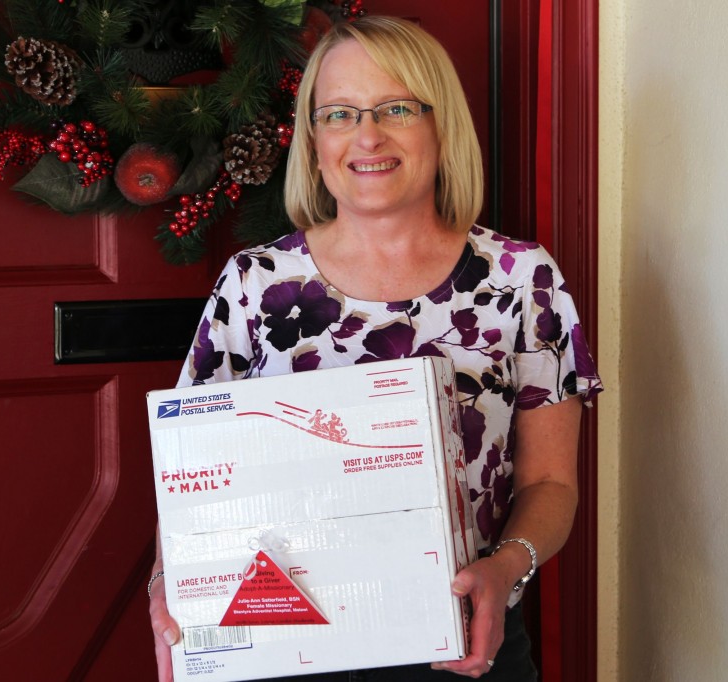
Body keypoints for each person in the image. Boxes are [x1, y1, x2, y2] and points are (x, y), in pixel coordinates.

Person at [148, 15, 602, 682]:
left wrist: (507, 566)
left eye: (395, 108)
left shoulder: (522, 280)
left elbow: (551, 483)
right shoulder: (254, 284)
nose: (367, 135)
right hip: (282, 646)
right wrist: (168, 581)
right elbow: (193, 478)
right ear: (314, 139)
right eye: (339, 114)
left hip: (462, 649)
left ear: (440, 124)